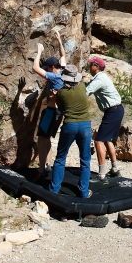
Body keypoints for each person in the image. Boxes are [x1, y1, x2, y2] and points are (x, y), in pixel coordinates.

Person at [49, 64, 94, 198]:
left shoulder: (61, 92)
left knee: (60, 158)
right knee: (85, 161)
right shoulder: (82, 87)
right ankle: (84, 192)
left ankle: (54, 190)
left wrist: (54, 96)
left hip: (70, 125)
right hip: (86, 125)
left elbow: (61, 110)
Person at [31, 29, 66, 180]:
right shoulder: (65, 71)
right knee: (47, 139)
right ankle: (48, 164)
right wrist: (59, 40)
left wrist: (39, 51)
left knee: (42, 139)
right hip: (60, 113)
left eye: (48, 68)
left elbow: (35, 68)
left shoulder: (55, 76)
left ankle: (41, 170)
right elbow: (63, 56)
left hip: (51, 112)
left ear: (51, 68)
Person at [85, 56, 124, 179]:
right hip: (117, 110)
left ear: (96, 66)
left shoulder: (99, 79)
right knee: (108, 140)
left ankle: (101, 173)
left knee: (98, 140)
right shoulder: (101, 77)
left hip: (113, 111)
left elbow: (86, 92)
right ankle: (114, 168)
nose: (89, 67)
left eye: (91, 65)